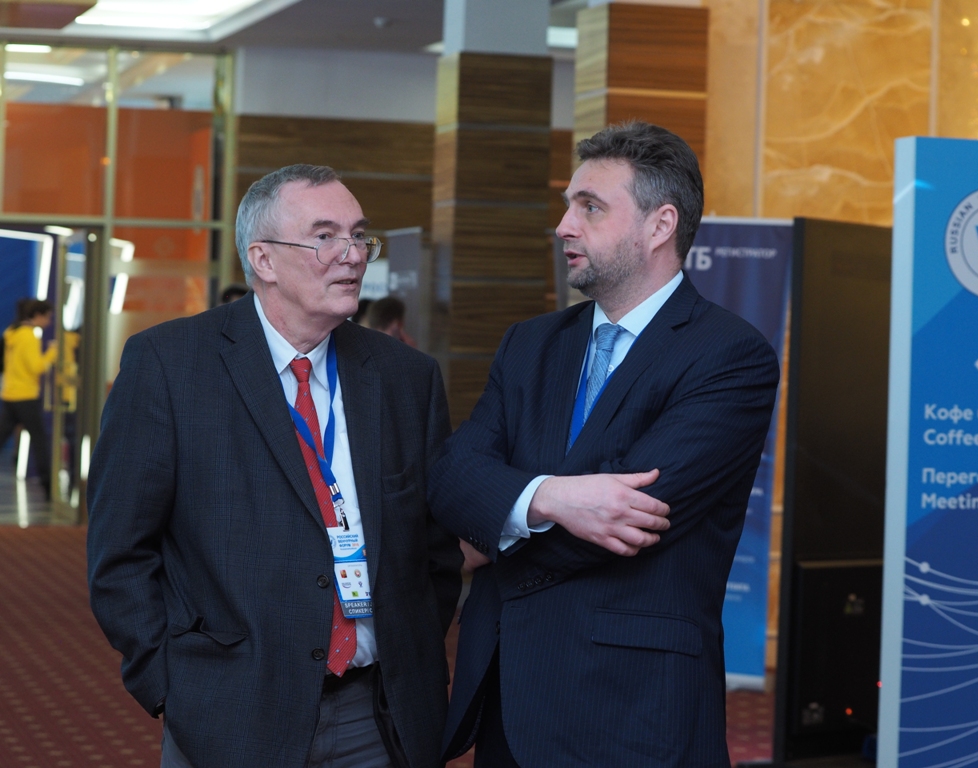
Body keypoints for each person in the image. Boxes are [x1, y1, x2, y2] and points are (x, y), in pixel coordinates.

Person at [428, 122, 781, 767]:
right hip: (507, 697)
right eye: (568, 205)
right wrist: (549, 498)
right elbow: (452, 475)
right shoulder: (530, 343)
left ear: (660, 225)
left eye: (589, 207)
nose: (563, 226)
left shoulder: (730, 355)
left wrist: (497, 522)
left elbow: (630, 517)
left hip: (635, 712)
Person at [87, 164, 463, 768]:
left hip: (379, 716)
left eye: (358, 235)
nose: (352, 255)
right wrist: (170, 686)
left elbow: (434, 553)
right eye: (325, 236)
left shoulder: (405, 377)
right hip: (229, 711)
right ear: (263, 259)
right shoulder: (169, 364)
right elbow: (119, 552)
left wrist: (408, 653)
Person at [0, 298, 57, 499]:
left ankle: (49, 486)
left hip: (10, 394)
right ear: (37, 316)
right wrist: (53, 352)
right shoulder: (29, 336)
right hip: (26, 396)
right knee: (40, 442)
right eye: (47, 317)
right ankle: (49, 488)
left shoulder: (11, 332)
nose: (49, 322)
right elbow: (36, 367)